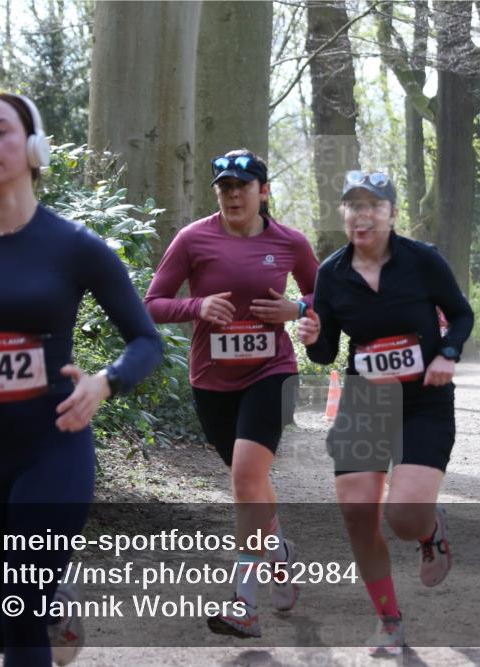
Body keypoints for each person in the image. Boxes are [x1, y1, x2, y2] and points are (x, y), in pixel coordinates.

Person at [0, 91, 164, 667]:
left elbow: (147, 340)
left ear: (33, 145)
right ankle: (51, 609)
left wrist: (104, 382)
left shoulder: (77, 247)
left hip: (54, 446)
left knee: (20, 616)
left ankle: (40, 608)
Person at [296, 170, 474, 656]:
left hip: (424, 399)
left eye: (374, 205)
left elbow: (461, 313)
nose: (363, 215)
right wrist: (313, 340)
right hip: (366, 399)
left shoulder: (422, 261)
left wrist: (448, 353)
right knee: (356, 511)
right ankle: (388, 620)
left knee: (403, 517)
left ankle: (429, 529)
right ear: (344, 216)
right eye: (353, 206)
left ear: (392, 214)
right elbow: (327, 350)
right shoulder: (331, 273)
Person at [144, 149, 318, 638]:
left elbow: (328, 292)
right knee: (251, 482)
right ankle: (280, 555)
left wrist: (296, 307)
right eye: (224, 186)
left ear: (263, 191)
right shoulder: (193, 238)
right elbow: (153, 303)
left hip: (272, 371)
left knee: (245, 475)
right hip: (212, 380)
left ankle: (244, 602)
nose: (233, 194)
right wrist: (197, 306)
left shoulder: (290, 242)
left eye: (243, 186)